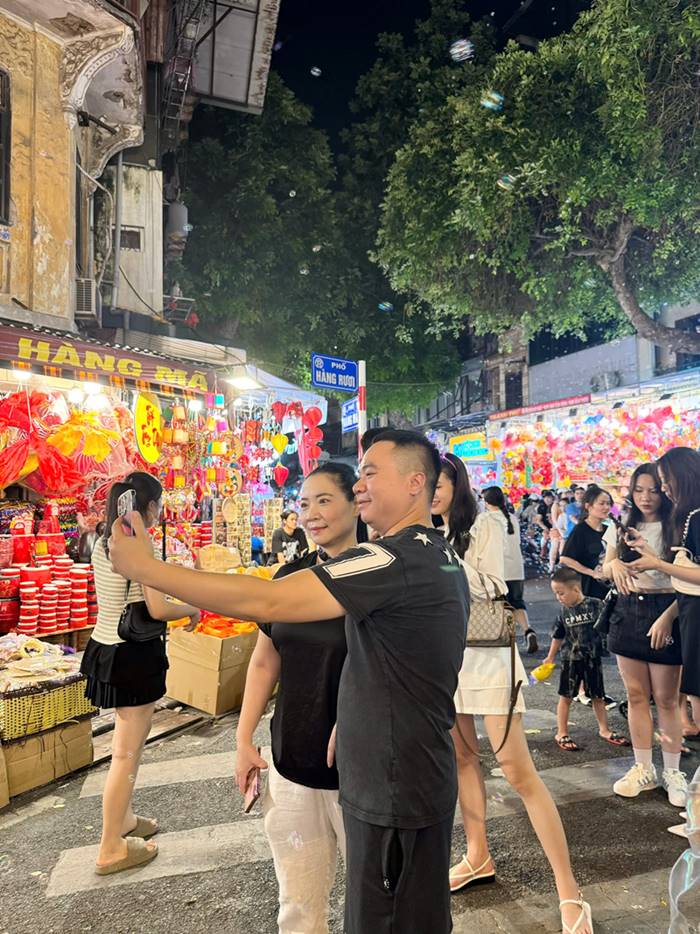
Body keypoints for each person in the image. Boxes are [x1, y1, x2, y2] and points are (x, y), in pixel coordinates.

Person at [108, 430, 469, 934]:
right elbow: (394, 661)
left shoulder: (393, 558)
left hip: (393, 784)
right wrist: (360, 712)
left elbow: (268, 602)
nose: (361, 485)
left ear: (415, 484)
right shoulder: (433, 553)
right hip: (392, 771)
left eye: (369, 474)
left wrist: (148, 568)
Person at [431, 455, 592, 934]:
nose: (432, 493)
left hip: (488, 655)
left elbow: (497, 587)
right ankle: (477, 856)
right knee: (463, 760)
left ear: (455, 485)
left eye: (439, 484)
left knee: (520, 773)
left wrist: (444, 565)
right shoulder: (426, 530)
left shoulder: (483, 524)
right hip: (447, 658)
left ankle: (570, 890)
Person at [235, 464, 359, 933]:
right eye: (305, 503)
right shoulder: (289, 577)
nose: (312, 513)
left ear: (355, 502)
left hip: (358, 771)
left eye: (325, 500)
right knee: (298, 905)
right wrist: (244, 738)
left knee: (376, 904)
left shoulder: (375, 576)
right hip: (289, 764)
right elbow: (265, 660)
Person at [80, 472, 201, 875]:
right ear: (147, 507)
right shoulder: (138, 541)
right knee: (126, 754)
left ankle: (125, 820)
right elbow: (159, 608)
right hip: (132, 654)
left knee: (124, 746)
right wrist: (192, 610)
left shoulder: (105, 537)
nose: (160, 512)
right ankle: (111, 846)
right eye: (159, 504)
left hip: (105, 646)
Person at [600, 463, 686, 807]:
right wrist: (615, 565)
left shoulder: (679, 525)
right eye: (639, 490)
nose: (646, 497)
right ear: (631, 492)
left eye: (653, 489)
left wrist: (668, 617)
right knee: (635, 696)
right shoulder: (622, 525)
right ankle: (643, 768)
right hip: (627, 611)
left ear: (664, 490)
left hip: (668, 610)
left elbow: (686, 578)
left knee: (666, 699)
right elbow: (605, 567)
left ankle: (673, 771)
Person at [628, 448, 700, 748]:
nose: (664, 489)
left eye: (665, 482)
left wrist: (657, 564)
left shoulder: (695, 517)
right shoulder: (688, 517)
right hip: (686, 614)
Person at [545, 567, 629, 752]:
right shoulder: (563, 612)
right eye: (556, 594)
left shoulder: (595, 605)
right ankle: (562, 732)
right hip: (570, 659)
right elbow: (557, 636)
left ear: (575, 589)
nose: (558, 597)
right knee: (565, 697)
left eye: (561, 593)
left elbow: (610, 621)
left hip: (592, 658)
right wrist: (550, 657)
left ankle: (604, 730)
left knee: (598, 696)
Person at [482, 485, 538, 653]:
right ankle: (528, 631)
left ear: (486, 502)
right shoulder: (511, 518)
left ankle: (506, 640)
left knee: (500, 604)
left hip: (497, 569)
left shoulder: (486, 519)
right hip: (515, 569)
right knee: (517, 602)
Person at [560, 486, 613, 600]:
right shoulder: (580, 530)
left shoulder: (608, 529)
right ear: (588, 506)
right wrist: (591, 573)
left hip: (608, 587)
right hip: (588, 588)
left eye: (608, 504)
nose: (606, 507)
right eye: (602, 503)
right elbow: (565, 559)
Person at [535, 490, 555, 558]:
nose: (547, 499)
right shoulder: (541, 507)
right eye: (546, 497)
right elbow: (538, 521)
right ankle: (543, 551)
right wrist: (545, 528)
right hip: (543, 527)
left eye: (549, 497)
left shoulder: (555, 506)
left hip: (554, 526)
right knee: (545, 536)